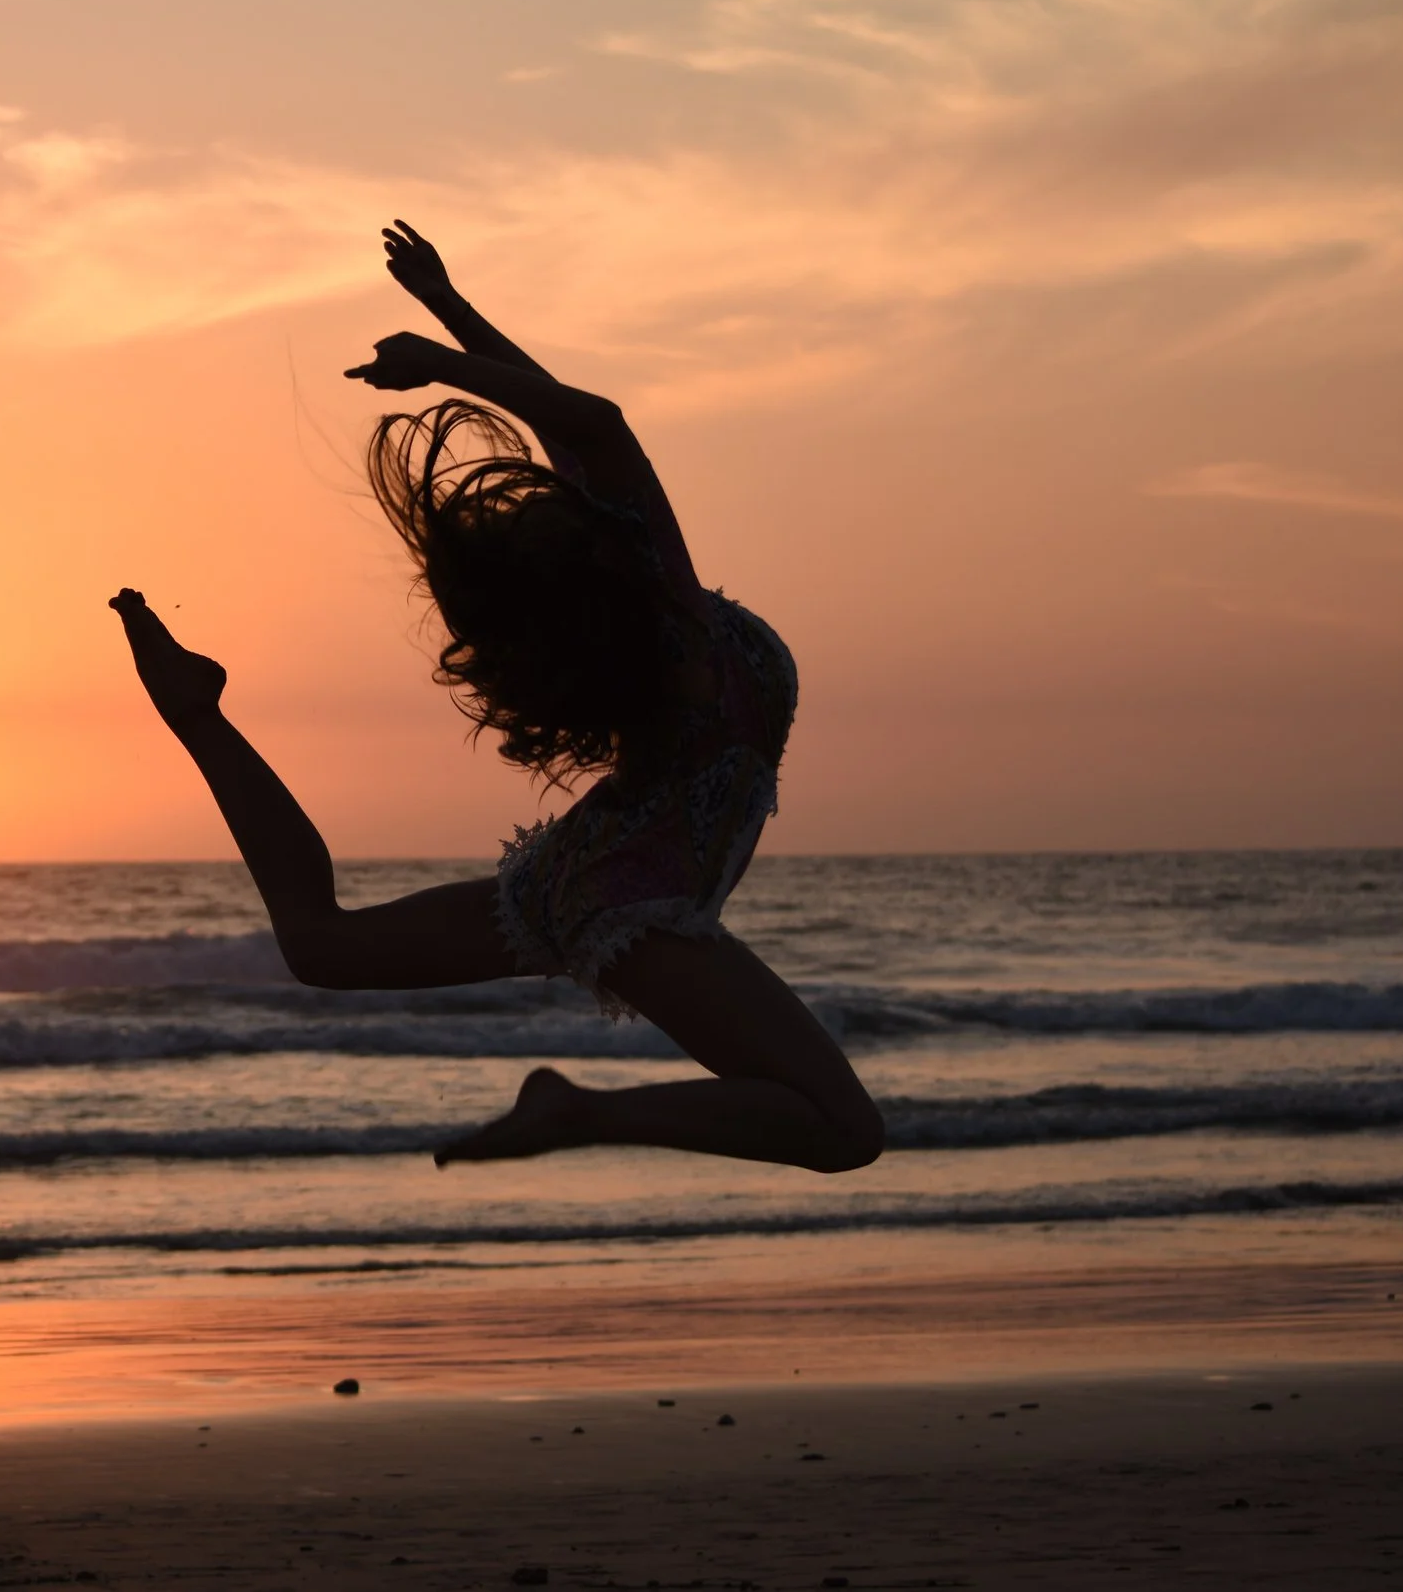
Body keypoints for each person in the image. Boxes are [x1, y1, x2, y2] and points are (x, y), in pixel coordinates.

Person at [109, 222, 883, 1174]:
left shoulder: (646, 605)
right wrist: (440, 349)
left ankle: (197, 714)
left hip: (597, 867)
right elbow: (593, 423)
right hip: (633, 901)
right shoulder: (674, 616)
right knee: (845, 1131)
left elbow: (571, 428)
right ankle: (581, 1112)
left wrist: (449, 312)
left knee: (323, 944)